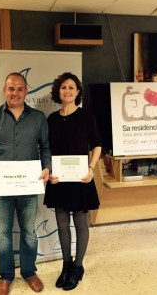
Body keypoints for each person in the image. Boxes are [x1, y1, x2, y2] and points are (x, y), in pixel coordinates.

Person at [0, 72, 51, 295]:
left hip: (28, 185)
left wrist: (46, 166)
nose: (15, 93)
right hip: (0, 186)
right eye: (11, 88)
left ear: (26, 91)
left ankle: (29, 272)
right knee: (2, 234)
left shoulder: (38, 118)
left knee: (29, 232)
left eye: (19, 89)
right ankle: (6, 275)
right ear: (4, 90)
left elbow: (45, 147)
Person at [44, 72, 102, 291]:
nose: (66, 91)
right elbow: (46, 149)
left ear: (78, 92)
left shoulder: (86, 115)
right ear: (58, 91)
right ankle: (66, 265)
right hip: (58, 179)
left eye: (71, 87)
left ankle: (78, 267)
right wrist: (49, 170)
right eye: (63, 87)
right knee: (61, 222)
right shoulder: (51, 119)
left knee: (80, 222)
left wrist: (91, 168)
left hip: (80, 178)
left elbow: (97, 144)